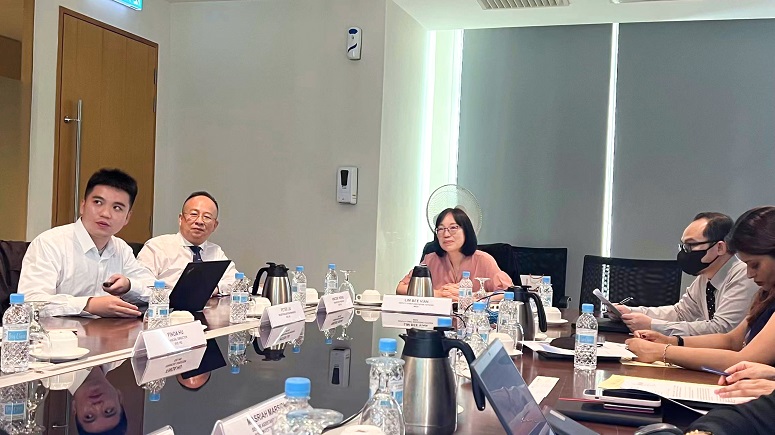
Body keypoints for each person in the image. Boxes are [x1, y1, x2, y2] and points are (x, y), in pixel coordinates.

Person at [625, 206, 775, 372]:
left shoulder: (745, 279)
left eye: (755, 265)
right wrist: (671, 341)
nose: (749, 274)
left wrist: (661, 352)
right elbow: (731, 340)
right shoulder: (766, 295)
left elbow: (744, 360)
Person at [19, 169, 155, 318]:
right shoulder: (50, 243)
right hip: (59, 331)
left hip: (109, 331)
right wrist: (88, 304)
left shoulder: (122, 249)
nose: (105, 213)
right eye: (98, 202)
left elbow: (157, 293)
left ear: (127, 217)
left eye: (117, 208)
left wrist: (129, 286)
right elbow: (30, 302)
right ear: (83, 206)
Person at [616, 212, 758, 334]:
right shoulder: (705, 277)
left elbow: (721, 329)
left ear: (720, 247)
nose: (684, 252)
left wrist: (653, 325)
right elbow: (681, 313)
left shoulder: (744, 276)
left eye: (690, 245)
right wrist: (630, 312)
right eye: (683, 246)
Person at [396, 207, 512, 300]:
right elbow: (401, 288)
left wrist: (470, 296)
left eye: (453, 228)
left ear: (466, 231)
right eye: (441, 229)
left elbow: (507, 293)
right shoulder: (430, 260)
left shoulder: (484, 260)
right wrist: (438, 293)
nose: (446, 234)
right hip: (438, 320)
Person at [137, 191, 240, 295]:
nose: (199, 221)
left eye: (207, 217)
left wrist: (213, 289)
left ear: (214, 225)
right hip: (167, 304)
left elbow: (236, 282)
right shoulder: (157, 247)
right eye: (194, 214)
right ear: (181, 219)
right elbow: (141, 284)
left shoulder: (216, 252)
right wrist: (176, 295)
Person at [71, 363, 127, 435]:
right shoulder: (119, 357)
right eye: (108, 411)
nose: (97, 406)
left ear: (74, 408)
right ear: (119, 397)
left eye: (89, 416)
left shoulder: (57, 373)